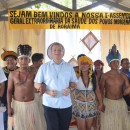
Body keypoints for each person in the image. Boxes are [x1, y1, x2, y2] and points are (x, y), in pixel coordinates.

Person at [34, 42, 77, 130]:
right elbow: (36, 84)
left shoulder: (69, 67)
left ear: (63, 53)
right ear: (51, 53)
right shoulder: (44, 67)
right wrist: (47, 91)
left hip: (66, 104)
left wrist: (70, 89)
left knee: (64, 128)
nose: (57, 52)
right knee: (52, 128)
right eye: (54, 50)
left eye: (59, 50)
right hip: (49, 104)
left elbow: (74, 83)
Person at [7, 44, 43, 130]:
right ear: (18, 61)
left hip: (31, 105)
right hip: (17, 106)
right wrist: (9, 107)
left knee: (32, 127)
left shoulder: (34, 72)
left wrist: (41, 88)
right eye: (21, 59)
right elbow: (9, 91)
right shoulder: (12, 74)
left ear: (29, 60)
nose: (23, 61)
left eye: (26, 59)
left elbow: (40, 85)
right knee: (18, 127)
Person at [100, 44, 130, 130]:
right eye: (113, 62)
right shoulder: (105, 76)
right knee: (109, 124)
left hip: (120, 103)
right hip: (108, 103)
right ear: (109, 64)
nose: (116, 63)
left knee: (121, 124)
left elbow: (128, 87)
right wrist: (101, 103)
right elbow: (101, 90)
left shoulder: (123, 75)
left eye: (117, 61)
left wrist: (124, 93)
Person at [72, 54, 104, 130]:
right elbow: (71, 87)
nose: (83, 65)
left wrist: (100, 103)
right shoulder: (76, 75)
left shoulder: (93, 76)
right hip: (79, 106)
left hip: (91, 106)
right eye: (81, 64)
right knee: (81, 128)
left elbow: (97, 90)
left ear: (89, 65)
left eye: (86, 63)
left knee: (89, 128)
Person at [1, 49, 18, 130]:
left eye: (11, 59)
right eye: (7, 60)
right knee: (6, 119)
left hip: (18, 99)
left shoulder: (20, 70)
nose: (9, 61)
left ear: (16, 61)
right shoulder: (2, 71)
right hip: (5, 98)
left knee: (17, 119)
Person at [30, 53, 47, 130]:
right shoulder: (29, 70)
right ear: (35, 62)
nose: (42, 63)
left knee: (42, 115)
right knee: (33, 117)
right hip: (32, 96)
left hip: (43, 95)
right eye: (40, 61)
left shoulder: (42, 69)